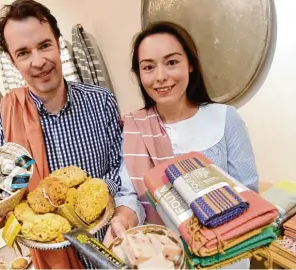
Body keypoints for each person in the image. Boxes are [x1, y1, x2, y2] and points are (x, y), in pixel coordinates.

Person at [0, 0, 145, 268]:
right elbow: (12, 191)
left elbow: (120, 166)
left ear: (58, 43)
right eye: (23, 53)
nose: (38, 61)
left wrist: (91, 201)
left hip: (110, 243)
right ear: (13, 61)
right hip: (53, 258)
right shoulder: (3, 119)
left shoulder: (101, 102)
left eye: (44, 45)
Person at [104, 21, 259, 268]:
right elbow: (130, 195)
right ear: (140, 74)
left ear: (191, 64)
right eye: (148, 67)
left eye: (172, 62)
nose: (161, 76)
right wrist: (122, 219)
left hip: (225, 256)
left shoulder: (225, 118)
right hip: (164, 259)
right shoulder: (135, 126)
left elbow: (249, 193)